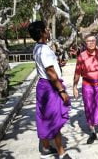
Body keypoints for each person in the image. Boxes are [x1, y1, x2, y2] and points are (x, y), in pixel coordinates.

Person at [28, 21, 71, 159]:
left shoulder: (38, 47)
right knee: (54, 119)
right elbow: (51, 73)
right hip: (50, 86)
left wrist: (58, 64)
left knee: (44, 117)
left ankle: (46, 147)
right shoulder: (44, 50)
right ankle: (61, 153)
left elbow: (49, 67)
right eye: (46, 29)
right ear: (41, 32)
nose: (48, 30)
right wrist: (61, 91)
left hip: (42, 85)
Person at [73, 34, 98, 144]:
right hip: (88, 85)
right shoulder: (81, 56)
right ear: (85, 43)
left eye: (93, 40)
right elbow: (77, 72)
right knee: (89, 108)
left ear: (96, 42)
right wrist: (74, 87)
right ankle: (92, 132)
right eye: (88, 41)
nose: (91, 43)